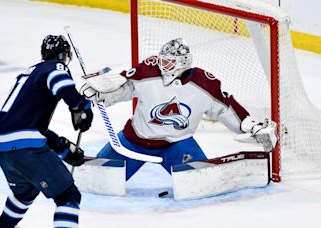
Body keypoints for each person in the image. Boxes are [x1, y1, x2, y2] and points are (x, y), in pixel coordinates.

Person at [81, 38, 277, 181]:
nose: (161, 65)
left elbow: (225, 109)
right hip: (134, 141)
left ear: (182, 63)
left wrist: (250, 126)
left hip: (176, 145)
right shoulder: (149, 71)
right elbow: (126, 87)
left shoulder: (203, 84)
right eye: (161, 59)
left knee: (201, 181)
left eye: (168, 62)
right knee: (98, 179)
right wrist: (101, 95)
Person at [0, 35, 93, 228]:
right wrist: (81, 105)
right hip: (26, 147)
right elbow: (61, 82)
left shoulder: (28, 74)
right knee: (68, 195)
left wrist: (63, 149)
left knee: (24, 193)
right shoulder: (55, 67)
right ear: (64, 55)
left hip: (0, 146)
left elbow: (33, 127)